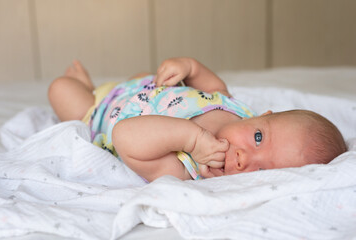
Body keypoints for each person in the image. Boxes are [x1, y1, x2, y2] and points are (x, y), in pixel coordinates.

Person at [48, 58, 347, 182]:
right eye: (258, 138)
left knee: (59, 90)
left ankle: (84, 87)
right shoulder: (236, 110)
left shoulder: (190, 169)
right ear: (262, 116)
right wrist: (188, 66)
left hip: (100, 110)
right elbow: (213, 86)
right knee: (142, 75)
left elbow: (126, 135)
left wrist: (193, 139)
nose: (244, 158)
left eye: (260, 170)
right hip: (142, 87)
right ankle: (99, 82)